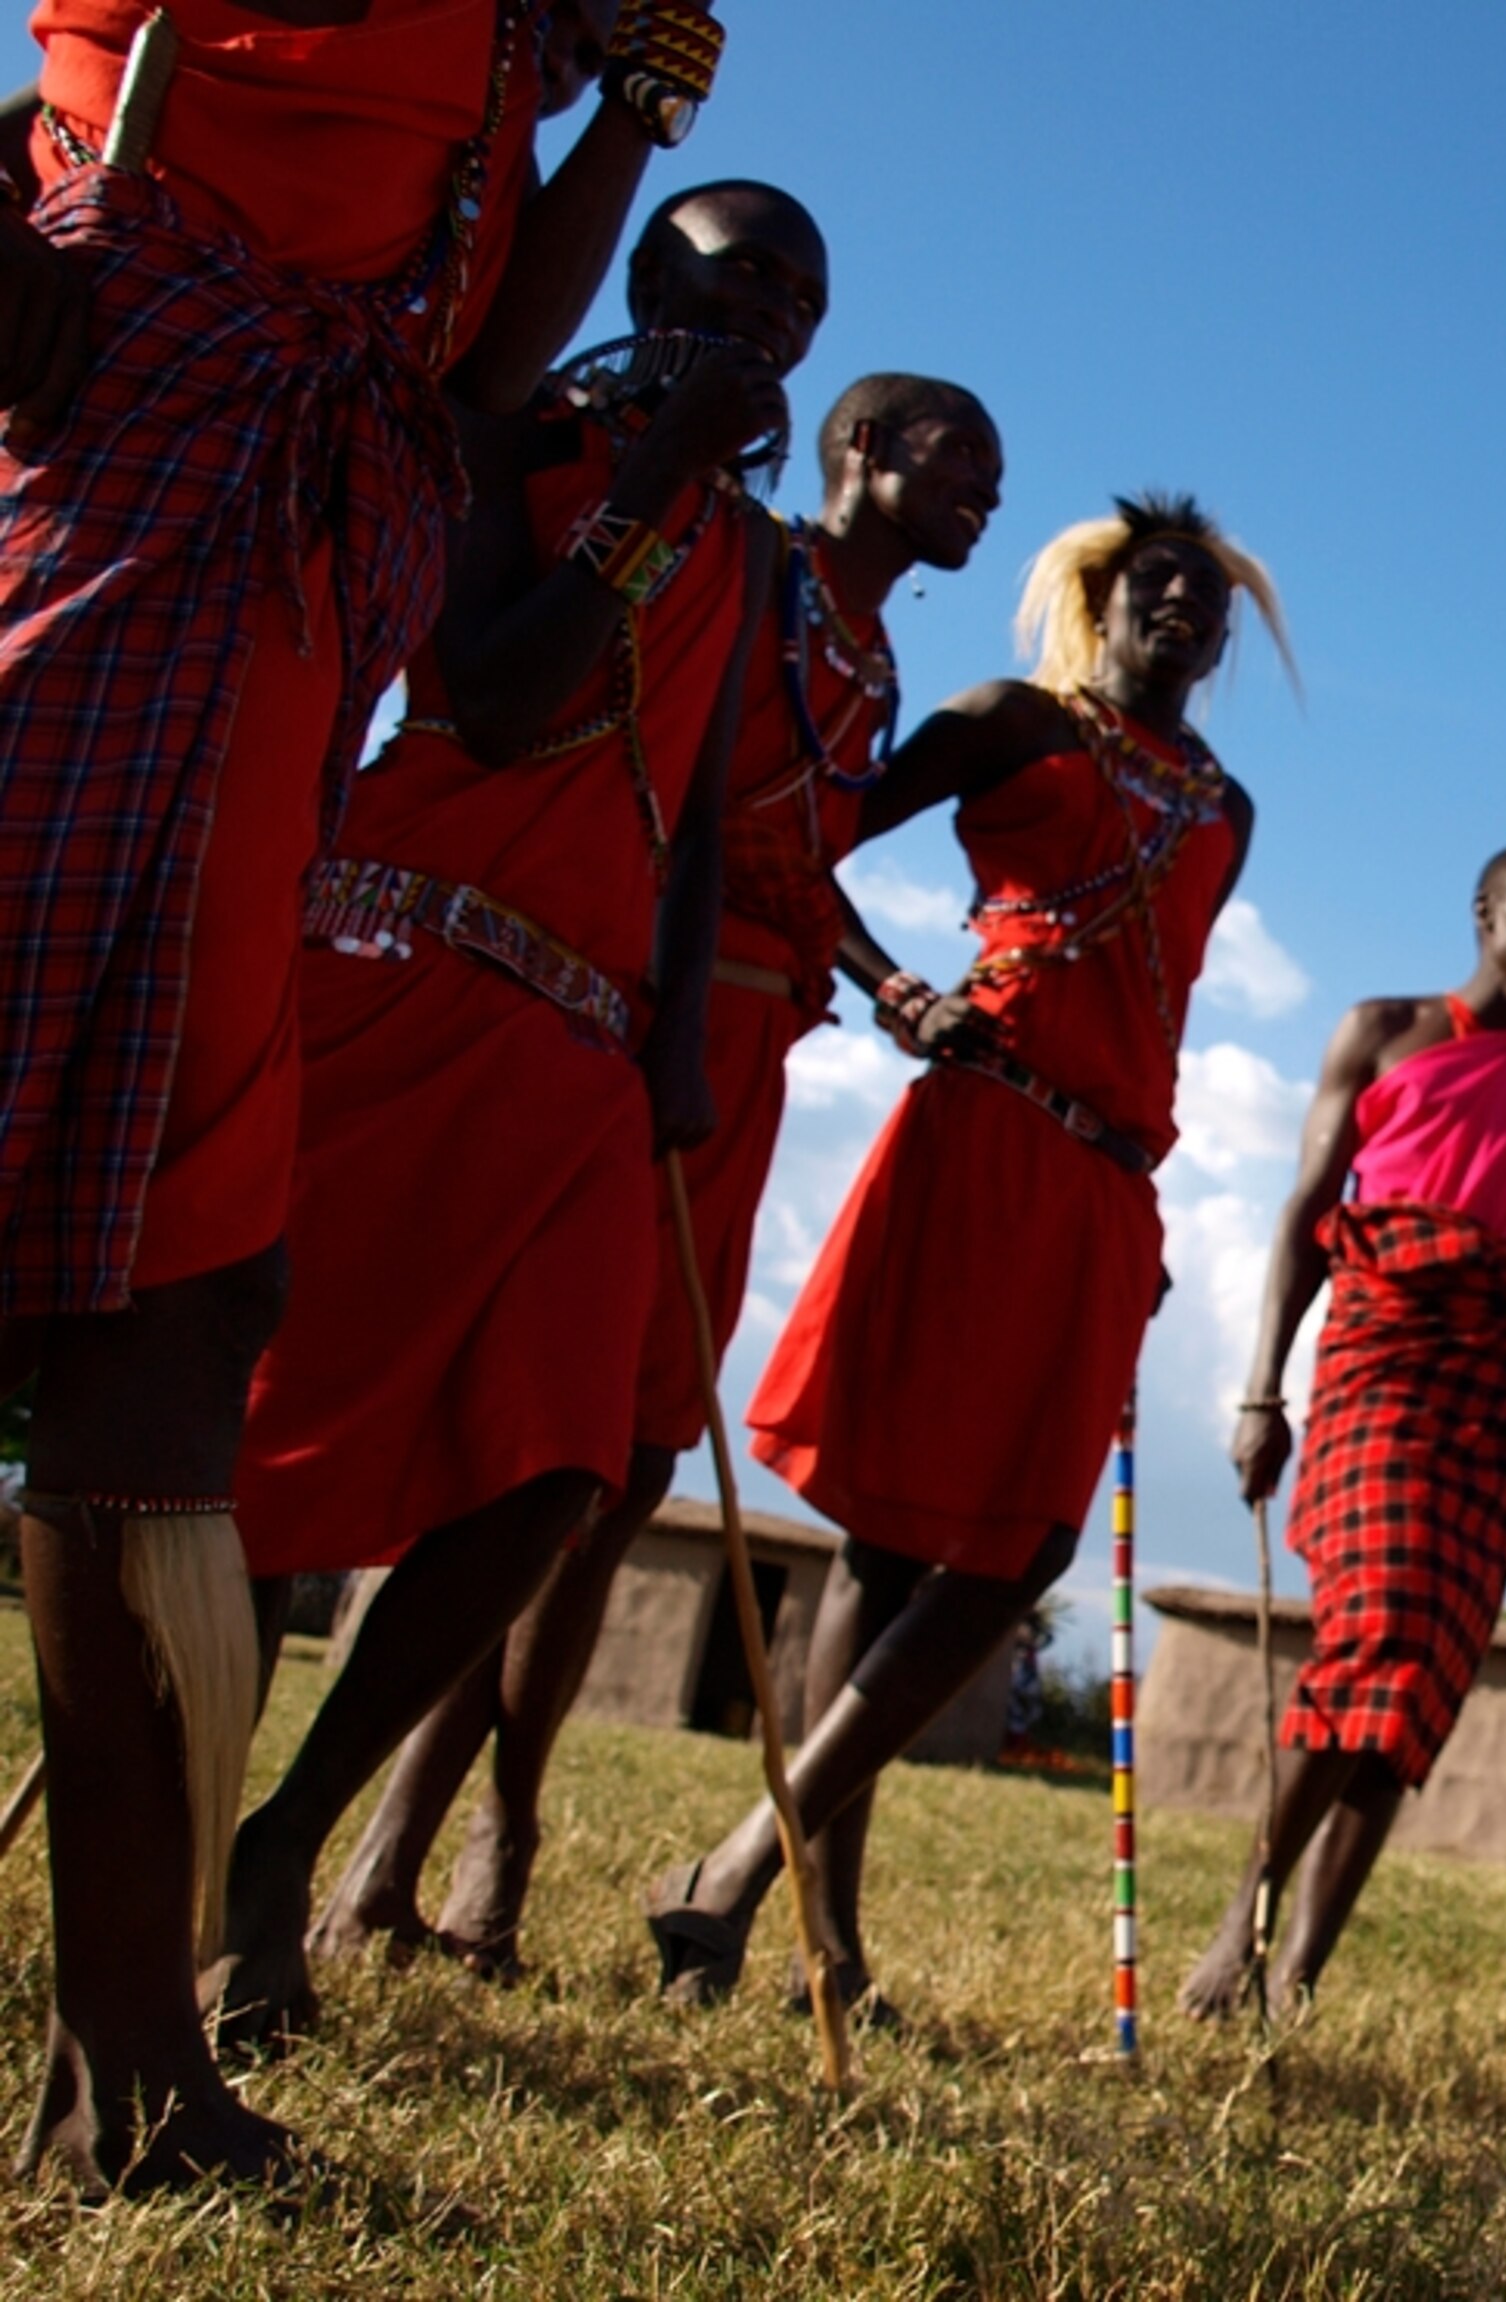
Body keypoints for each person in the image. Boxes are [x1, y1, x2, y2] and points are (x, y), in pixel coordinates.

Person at [0, 0, 714, 2195]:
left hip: (277, 668)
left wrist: (626, 109)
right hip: (88, 586)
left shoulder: (513, 70)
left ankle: (127, 2055)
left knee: (175, 1330)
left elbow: (480, 379)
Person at [210, 179, 826, 2051]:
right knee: (264, 1473)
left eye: (801, 301)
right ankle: (173, 1878)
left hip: (584, 1041)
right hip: (398, 968)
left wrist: (680, 1042)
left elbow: (711, 817)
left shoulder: (760, 555)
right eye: (739, 285)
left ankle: (282, 1845)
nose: (773, 321)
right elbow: (484, 692)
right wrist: (647, 497)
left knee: (555, 1468)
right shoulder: (516, 437)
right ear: (651, 282)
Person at [308, 372, 1003, 1981]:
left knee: (616, 1470)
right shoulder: (738, 559)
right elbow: (675, 811)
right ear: (861, 449)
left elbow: (787, 850)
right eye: (959, 453)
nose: (984, 485)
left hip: (748, 1057)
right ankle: (397, 1848)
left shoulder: (871, 644)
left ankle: (492, 1830)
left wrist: (888, 980)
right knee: (521, 1442)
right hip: (634, 1021)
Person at [647, 493, 1289, 2019]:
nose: (1186, 611)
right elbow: (800, 827)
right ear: (1101, 600)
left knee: (1020, 1545)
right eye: (1158, 586)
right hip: (982, 1126)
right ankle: (830, 1939)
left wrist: (1135, 1202)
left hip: (1110, 1181)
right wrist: (885, 981)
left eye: (1209, 596)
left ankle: (744, 1859)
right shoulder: (1009, 720)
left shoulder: (1225, 806)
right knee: (882, 1534)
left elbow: (1166, 1006)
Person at [1181, 846, 1506, 2020]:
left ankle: (1299, 1976)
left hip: (1503, 1391)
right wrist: (1261, 1394)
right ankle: (1243, 1925)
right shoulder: (1382, 1031)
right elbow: (1308, 1218)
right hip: (1385, 1355)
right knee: (1376, 1628)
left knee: (1417, 1684)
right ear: (1485, 912)